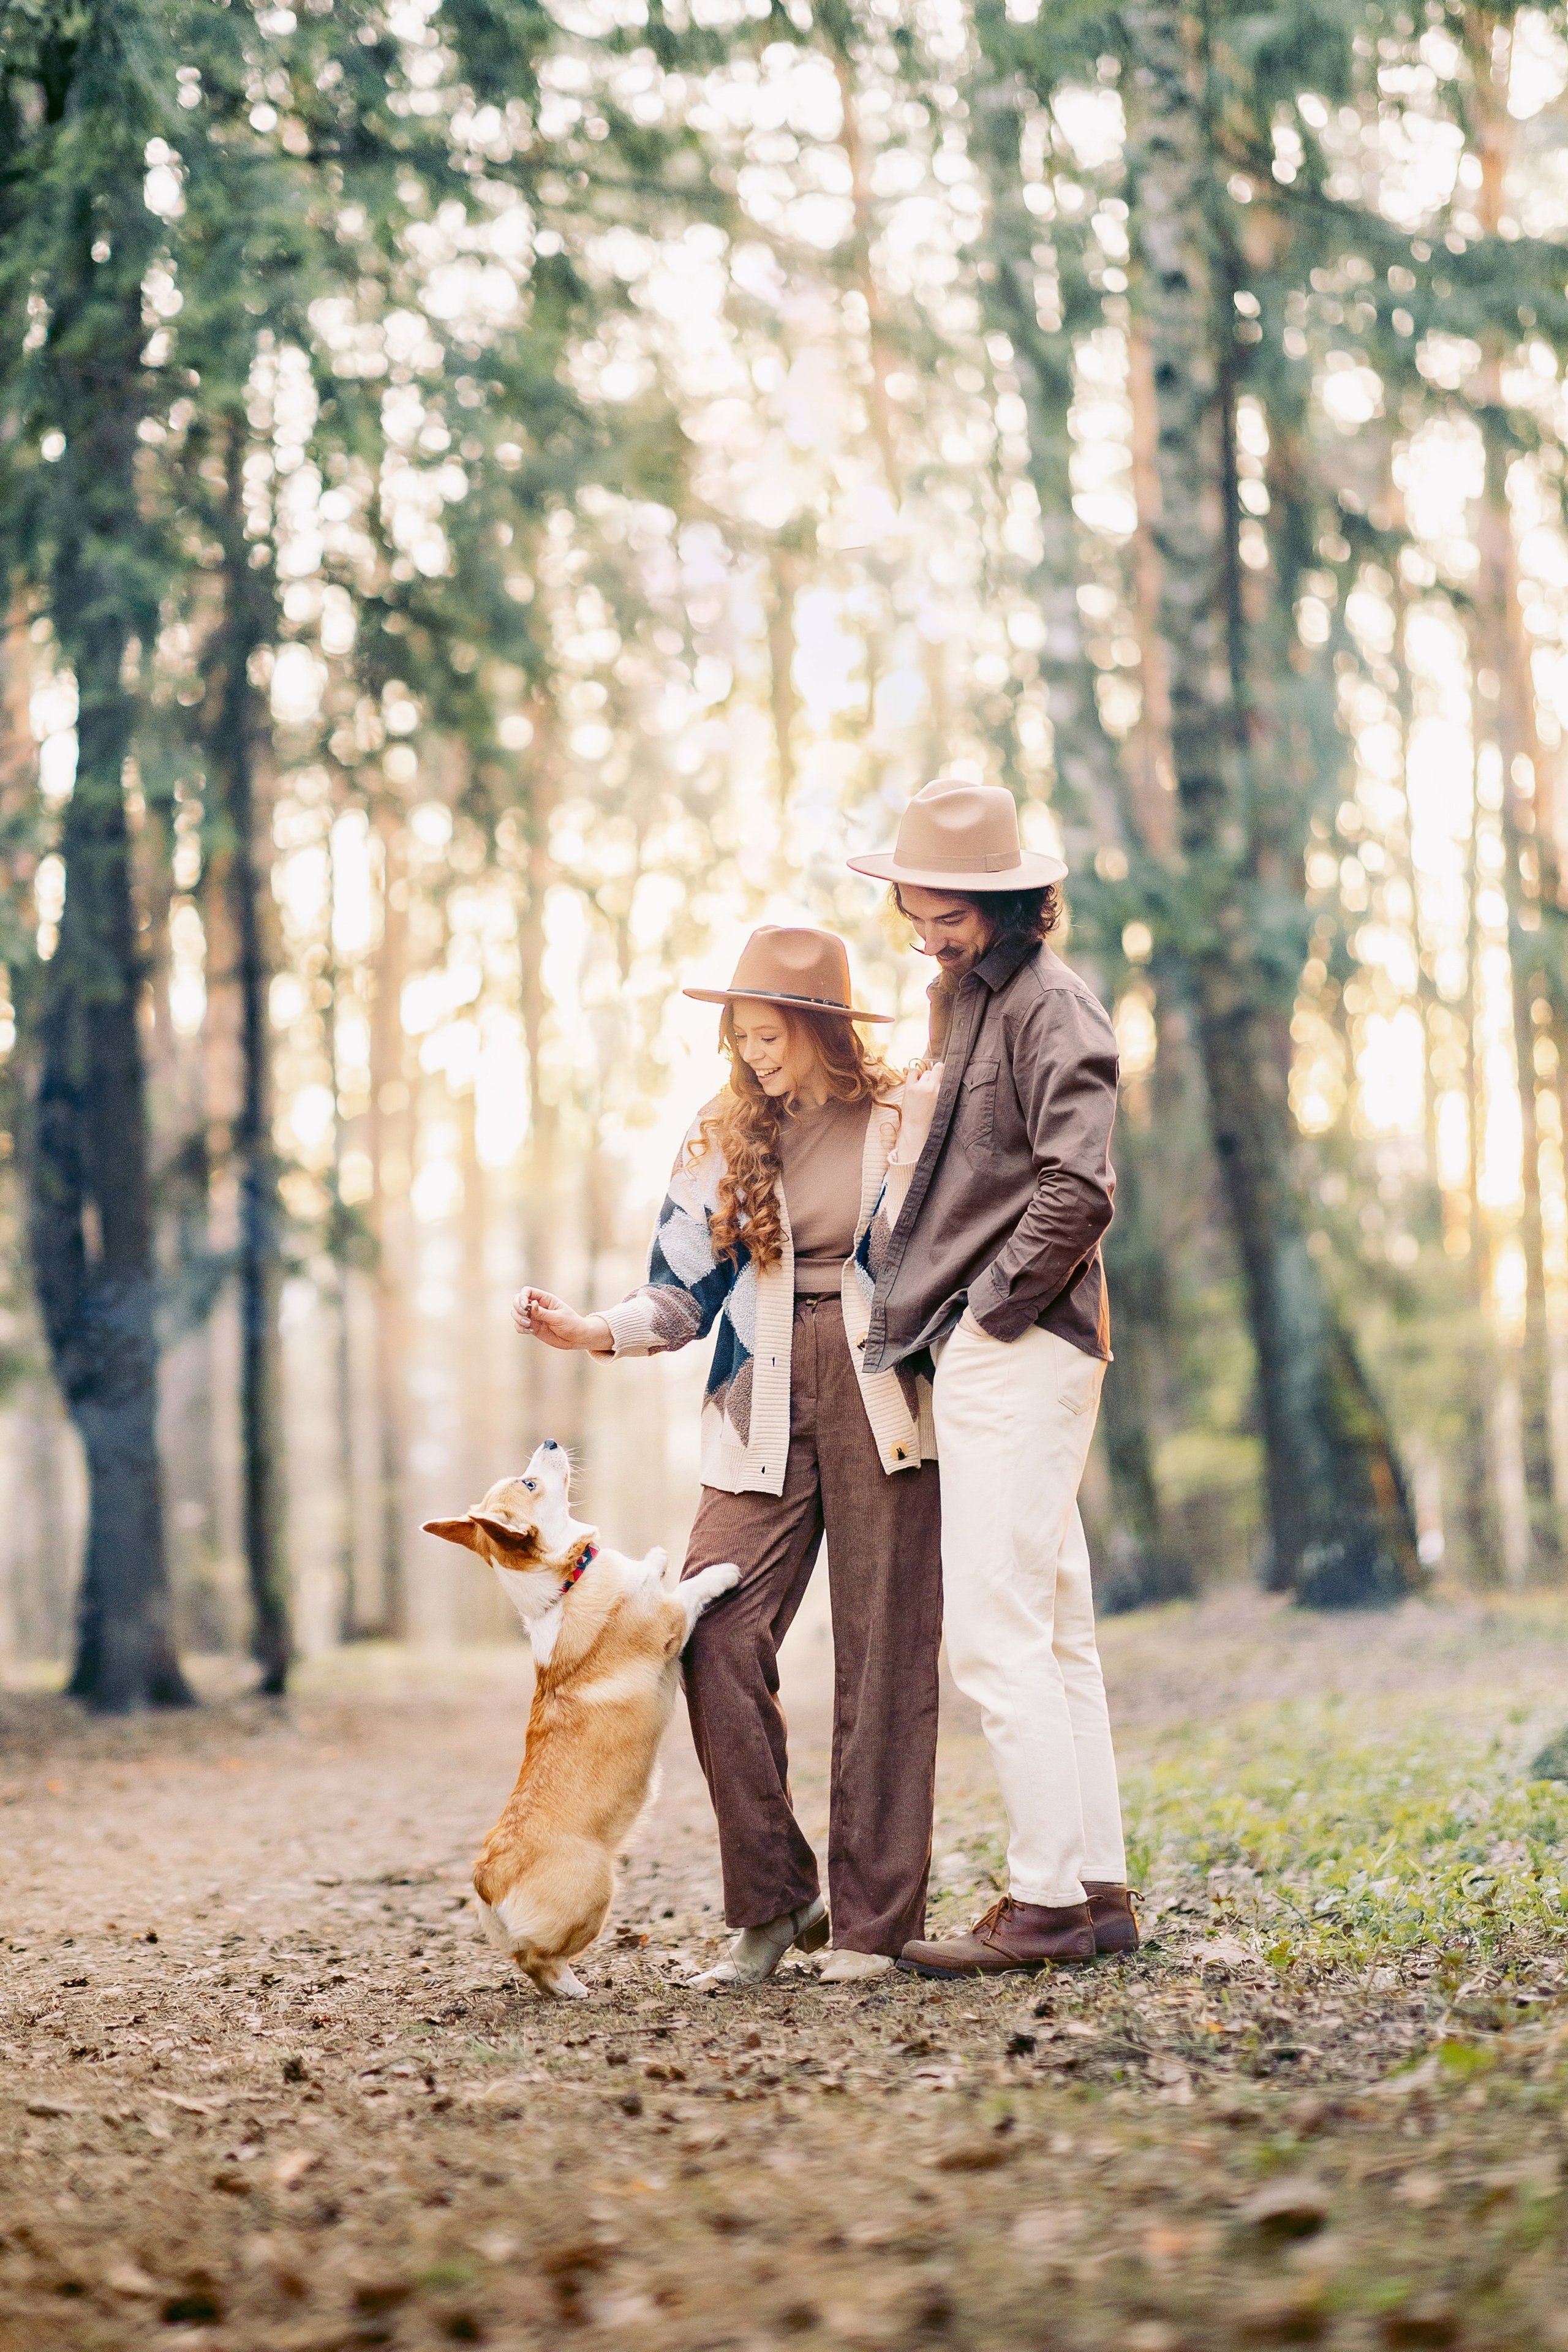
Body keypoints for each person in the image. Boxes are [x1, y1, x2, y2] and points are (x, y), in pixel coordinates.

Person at [512, 925, 944, 1989]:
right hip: (758, 1396)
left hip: (886, 1385)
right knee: (707, 1629)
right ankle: (773, 1900)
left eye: (768, 1033)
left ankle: (874, 1927)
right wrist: (592, 1330)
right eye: (739, 1035)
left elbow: (961, 1244)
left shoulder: (904, 1115)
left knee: (884, 1654)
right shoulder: (721, 1135)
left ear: (821, 1029)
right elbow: (681, 1289)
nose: (751, 1052)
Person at [845, 777, 1137, 1976]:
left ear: (1012, 902)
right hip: (995, 1345)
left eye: (945, 916)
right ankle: (1095, 1892)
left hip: (1017, 1345)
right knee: (1054, 1625)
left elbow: (1080, 1188)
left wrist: (986, 1313)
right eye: (912, 914)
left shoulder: (1053, 1010)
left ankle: (1042, 1908)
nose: (925, 935)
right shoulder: (960, 1000)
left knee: (994, 1628)